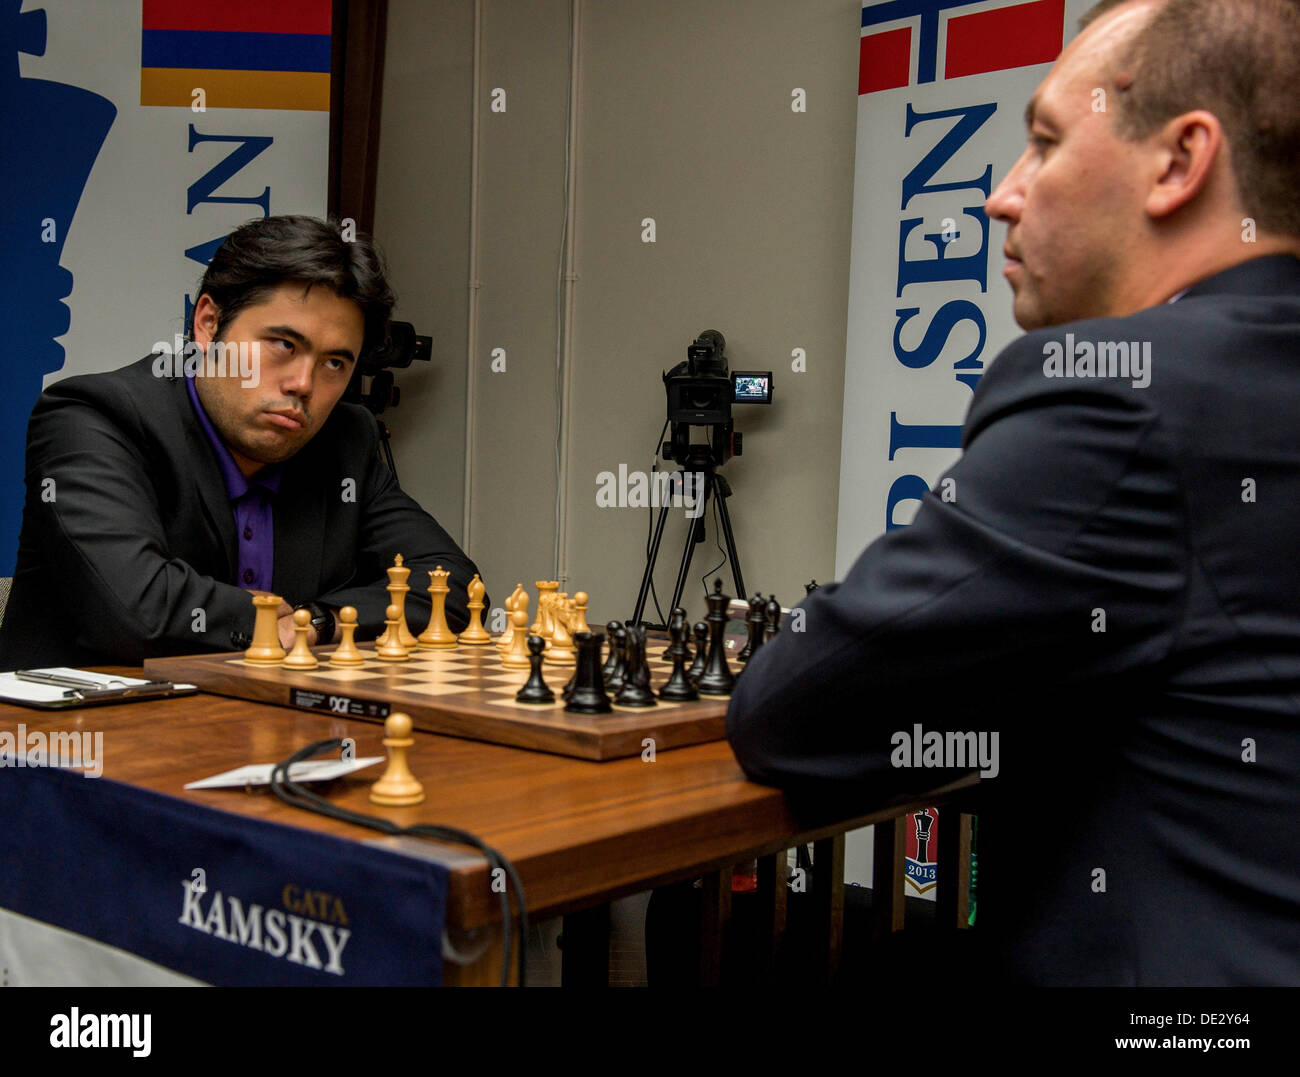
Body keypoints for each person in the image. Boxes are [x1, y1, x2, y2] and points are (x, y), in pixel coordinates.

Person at [726, 0, 1300, 986]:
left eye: (1042, 141)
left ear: (1177, 161)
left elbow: (793, 713)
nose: (1001, 195)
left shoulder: (1118, 391)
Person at [0, 215, 480, 668]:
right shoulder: (95, 416)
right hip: (87, 739)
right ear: (208, 323)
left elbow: (452, 586)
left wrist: (315, 622)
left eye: (335, 362)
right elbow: (138, 611)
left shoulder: (345, 439)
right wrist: (276, 625)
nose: (303, 384)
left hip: (269, 733)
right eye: (283, 345)